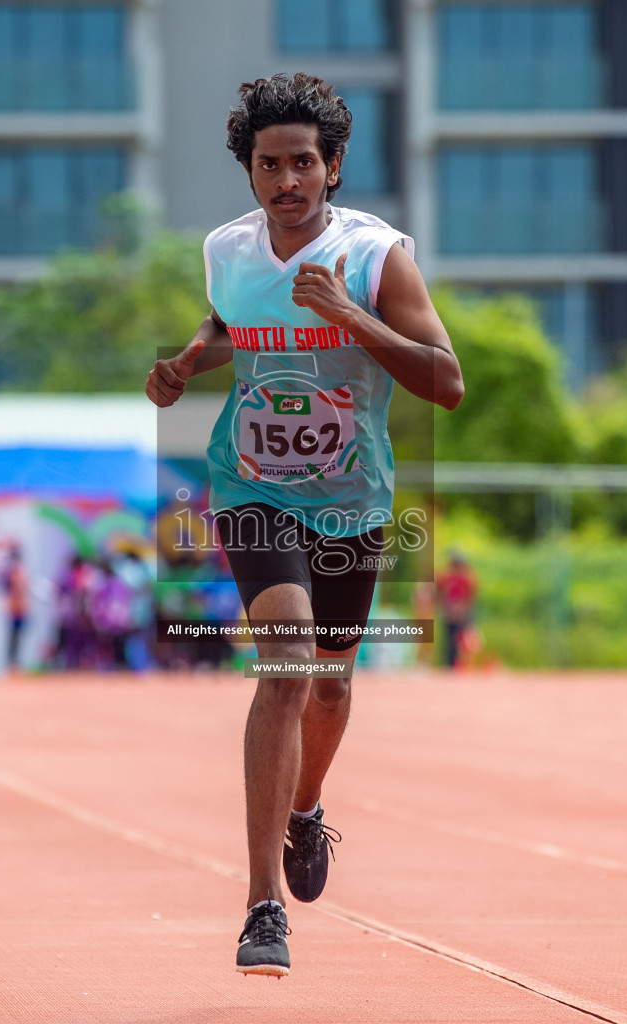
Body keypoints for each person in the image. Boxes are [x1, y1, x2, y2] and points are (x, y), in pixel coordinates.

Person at [146, 73, 463, 977]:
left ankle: (305, 809)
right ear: (249, 172)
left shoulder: (377, 256)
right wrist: (188, 363)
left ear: (332, 169)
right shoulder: (227, 249)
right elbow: (228, 323)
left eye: (303, 165)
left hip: (351, 499)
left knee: (329, 685)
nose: (287, 181)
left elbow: (446, 382)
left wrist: (349, 316)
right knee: (283, 667)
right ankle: (261, 907)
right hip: (251, 487)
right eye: (269, 165)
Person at [436, 550, 478, 669]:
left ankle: (460, 665)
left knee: (462, 640)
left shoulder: (466, 576)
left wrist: (466, 610)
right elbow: (441, 592)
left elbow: (471, 595)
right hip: (451, 612)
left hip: (460, 612)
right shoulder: (447, 576)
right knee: (450, 640)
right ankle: (450, 665)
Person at [2, 544, 28, 672]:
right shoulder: (11, 572)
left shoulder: (21, 571)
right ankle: (11, 661)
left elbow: (23, 590)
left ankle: (15, 661)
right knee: (13, 635)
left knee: (17, 635)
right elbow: (11, 589)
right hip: (14, 608)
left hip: (20, 608)